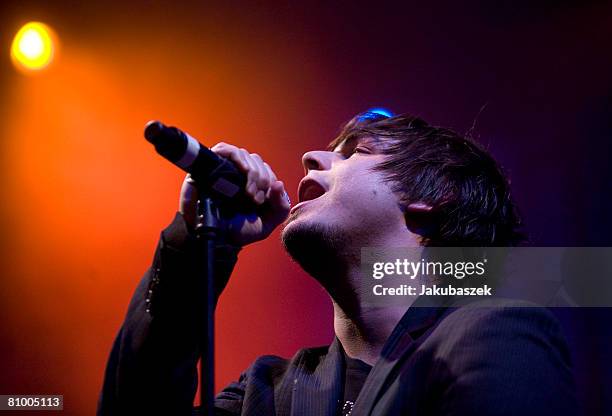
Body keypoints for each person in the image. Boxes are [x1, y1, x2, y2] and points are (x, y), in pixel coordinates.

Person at [98, 112, 578, 415]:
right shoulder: (264, 393)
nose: (309, 157)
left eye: (356, 152)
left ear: (432, 201)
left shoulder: (495, 332)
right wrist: (197, 242)